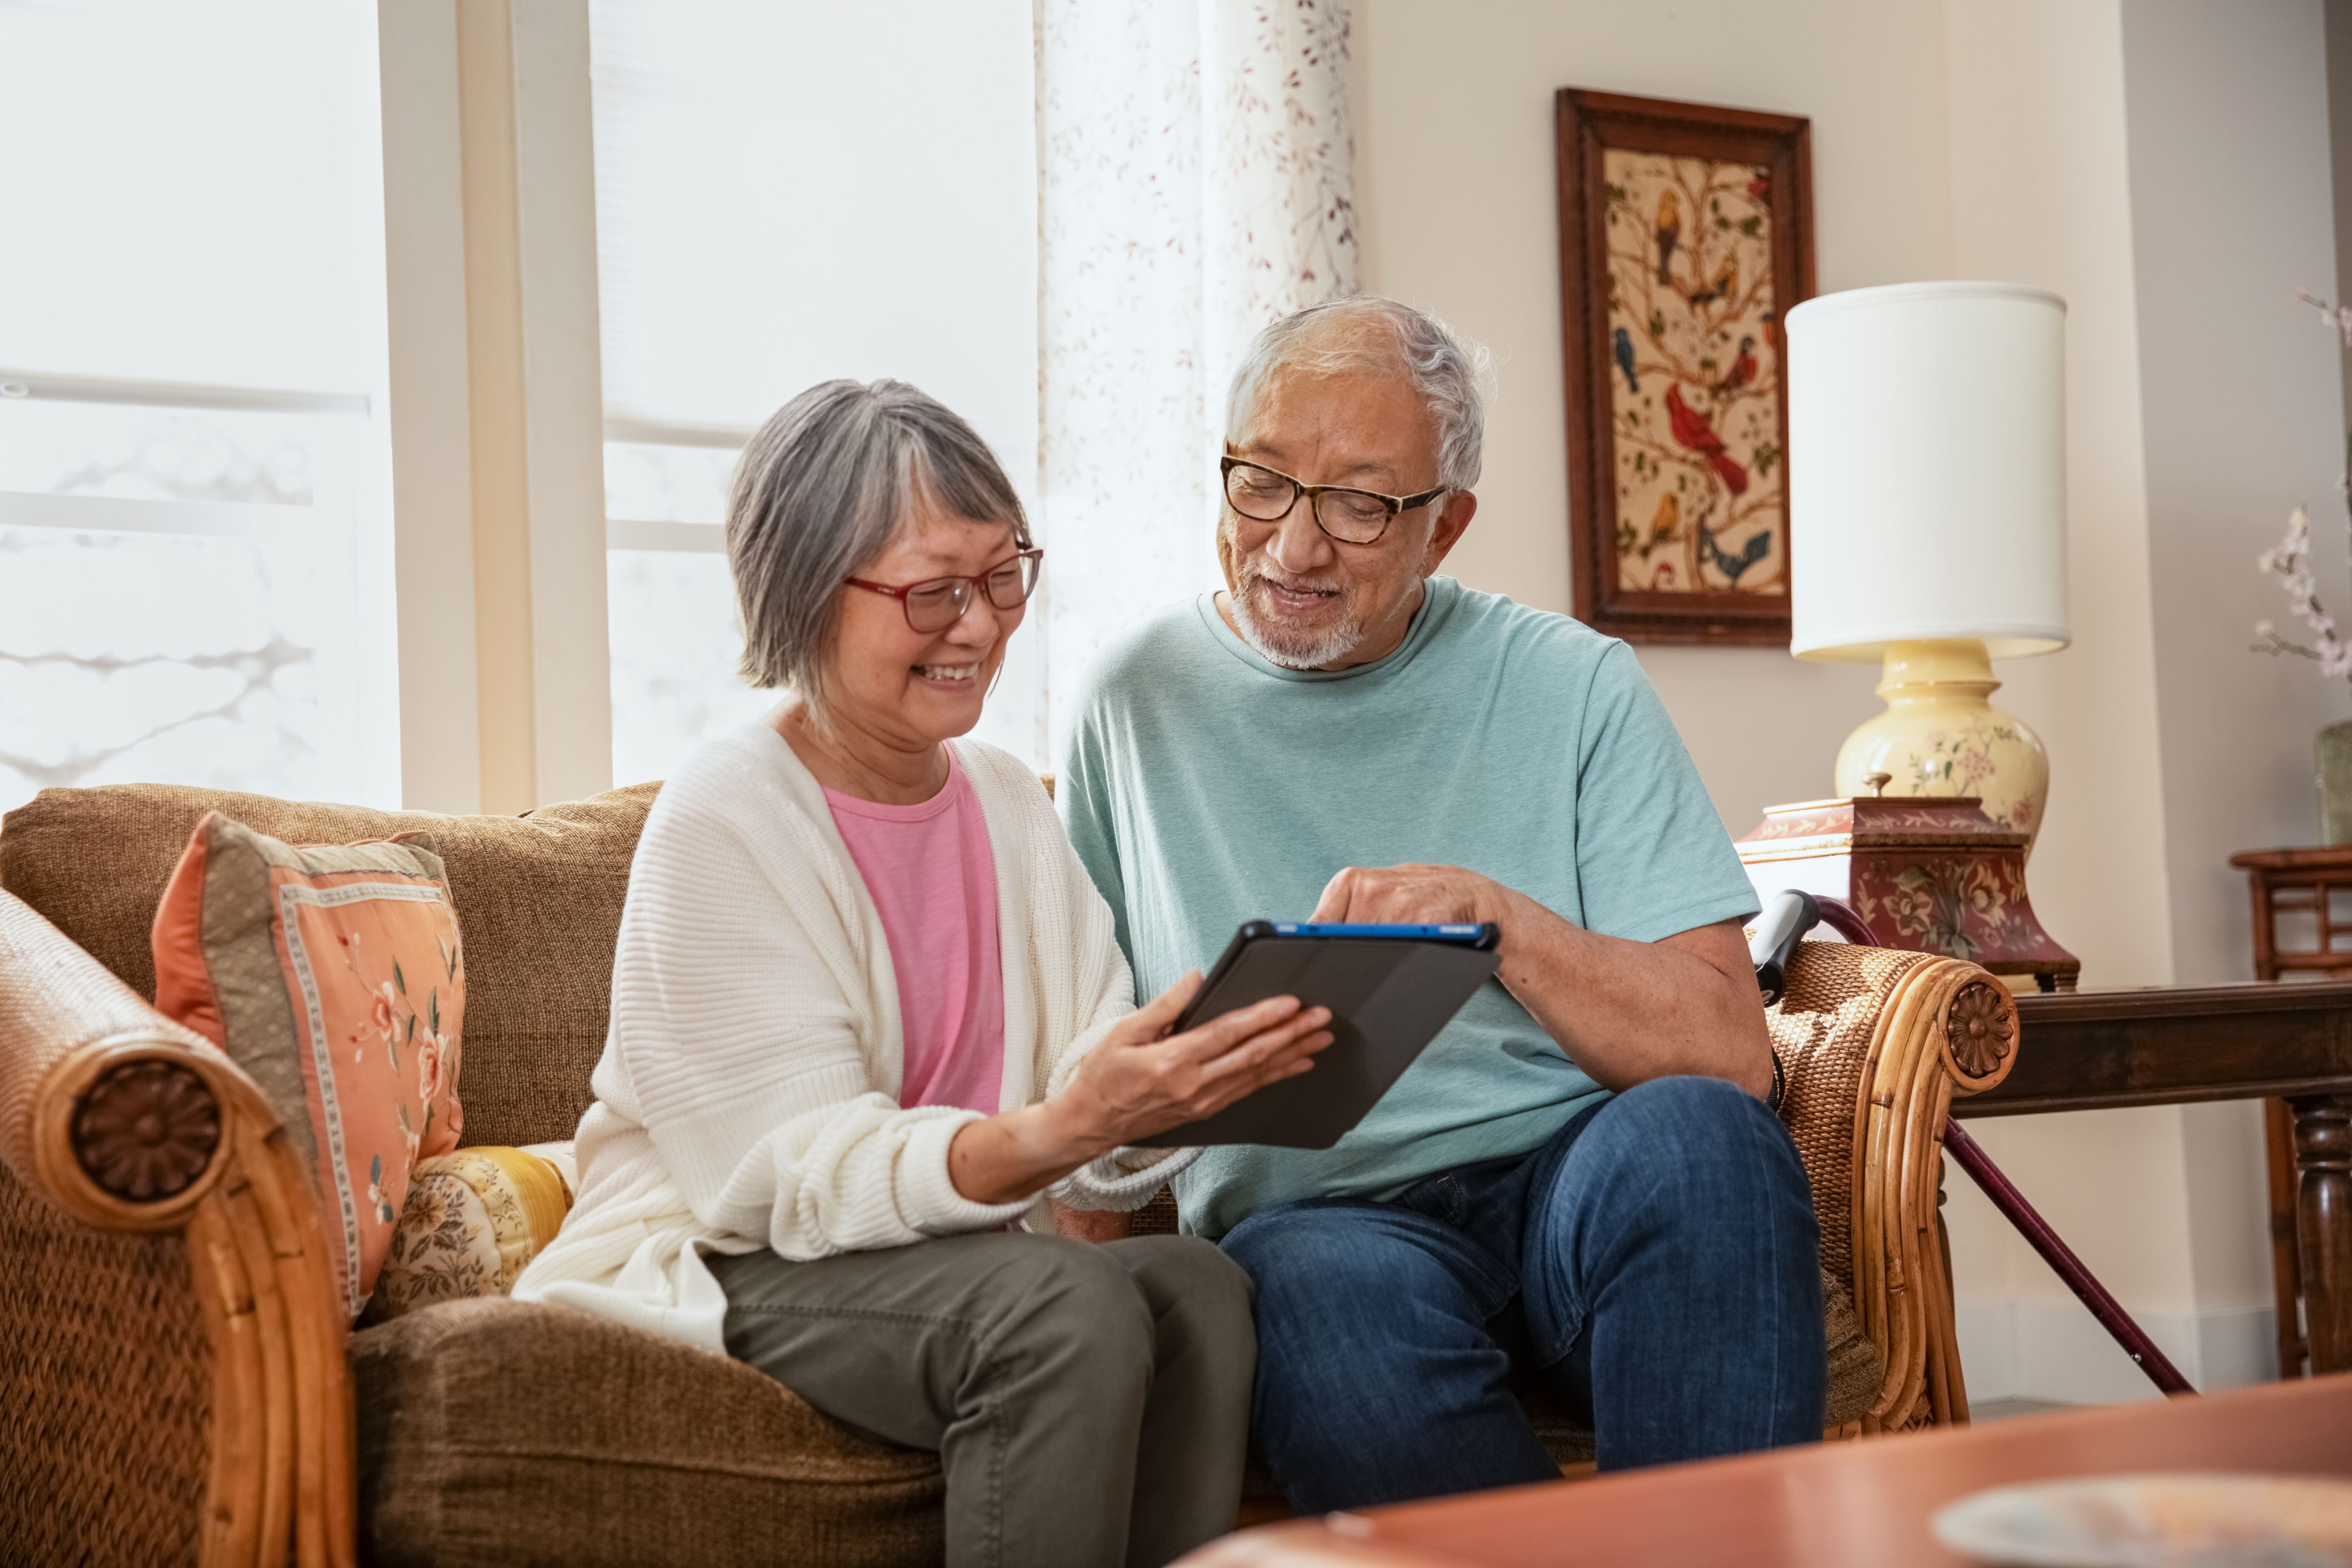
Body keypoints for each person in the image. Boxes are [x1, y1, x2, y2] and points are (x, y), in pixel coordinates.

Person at [516, 379, 1333, 1568]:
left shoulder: (1003, 797)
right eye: (933, 590)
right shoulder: (727, 813)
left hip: (948, 1261)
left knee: (1199, 1289)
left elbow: (1085, 1075)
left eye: (1003, 577)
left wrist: (1171, 1077)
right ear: (804, 588)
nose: (983, 625)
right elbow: (788, 1180)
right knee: (1068, 1307)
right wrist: (1064, 1125)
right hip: (735, 1260)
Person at [1058, 297, 1825, 1513]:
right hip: (1323, 1221)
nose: (1293, 548)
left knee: (1707, 1141)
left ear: (1447, 525)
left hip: (1577, 1174)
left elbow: (1729, 1047)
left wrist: (1496, 922)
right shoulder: (1132, 703)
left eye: (1359, 503)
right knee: (1316, 1305)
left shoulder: (1573, 682)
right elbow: (1077, 1072)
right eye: (1260, 482)